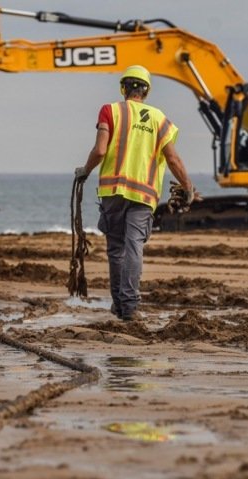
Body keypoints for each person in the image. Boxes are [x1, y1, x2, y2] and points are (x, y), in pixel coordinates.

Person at [74, 65, 195, 322]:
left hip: (112, 192)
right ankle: (129, 307)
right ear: (146, 91)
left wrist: (84, 171)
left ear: (124, 88)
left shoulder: (110, 111)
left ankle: (119, 305)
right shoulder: (159, 119)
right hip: (144, 195)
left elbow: (99, 151)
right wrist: (187, 187)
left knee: (116, 248)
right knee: (133, 247)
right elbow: (172, 159)